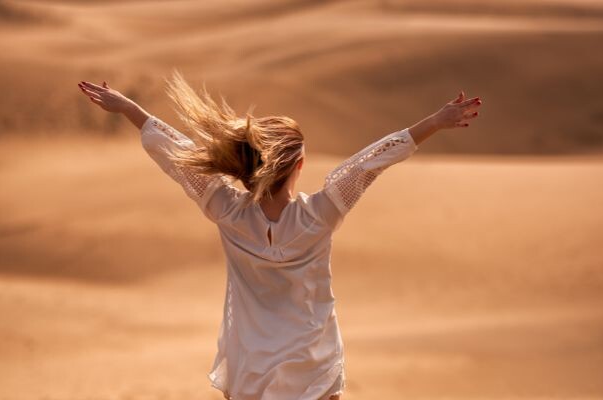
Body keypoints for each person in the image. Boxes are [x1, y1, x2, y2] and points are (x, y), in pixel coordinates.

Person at [78, 70, 482, 400]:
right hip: (313, 371)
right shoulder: (321, 214)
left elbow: (176, 155)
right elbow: (369, 164)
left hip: (248, 368)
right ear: (299, 164)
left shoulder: (227, 211)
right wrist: (434, 122)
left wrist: (131, 110)